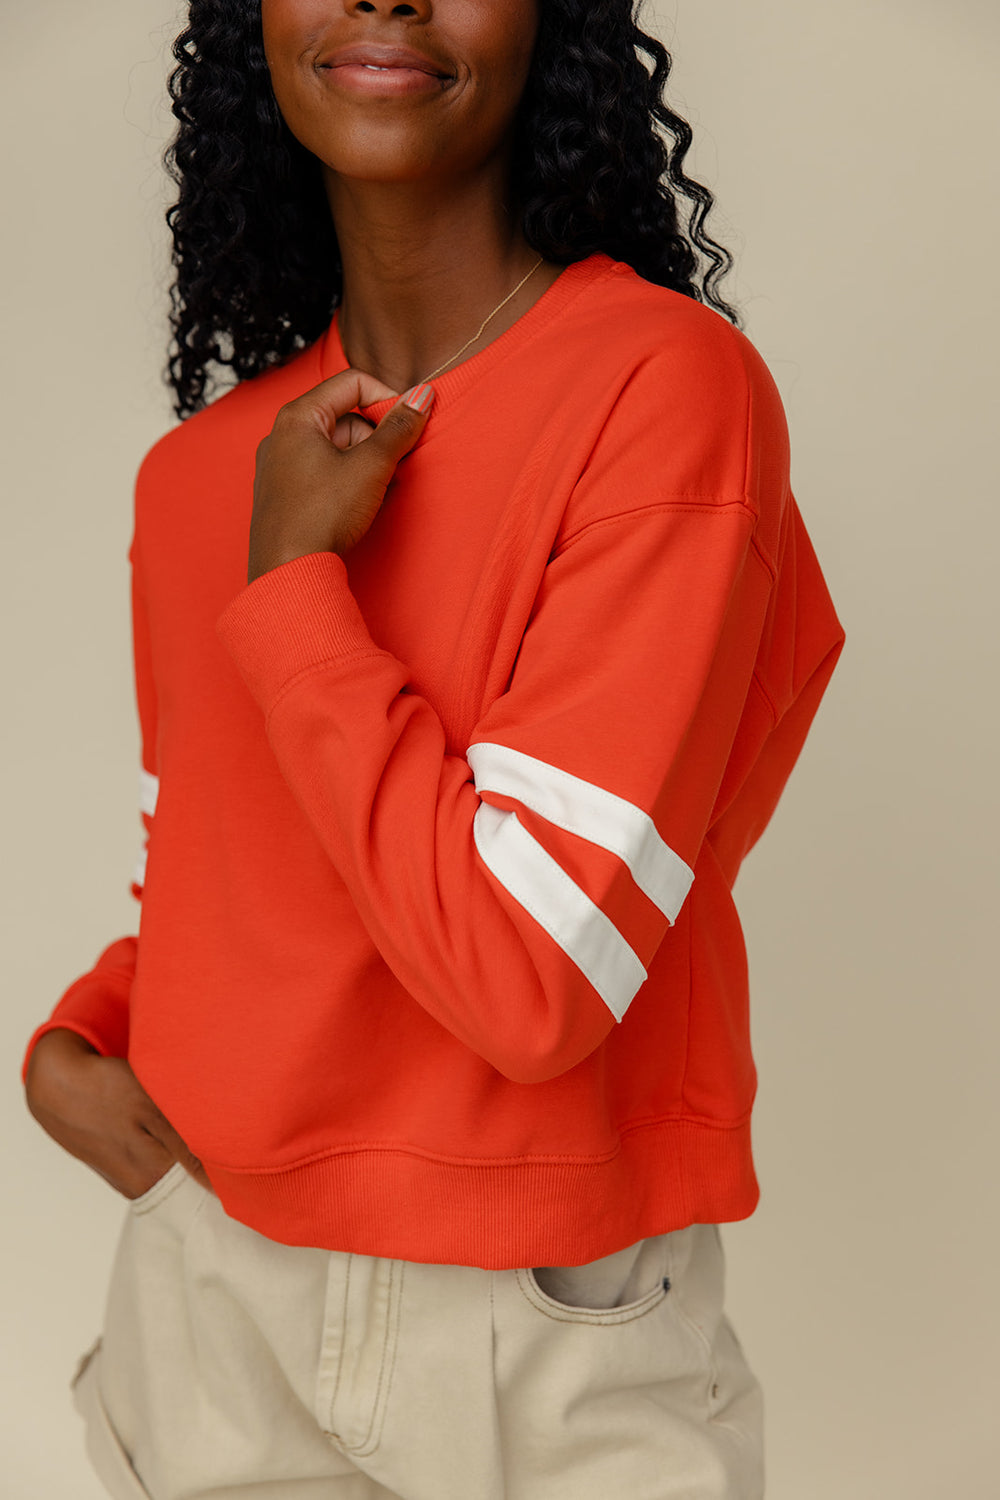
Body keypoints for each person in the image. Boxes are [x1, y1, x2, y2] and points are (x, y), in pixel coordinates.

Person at [22, 1, 845, 1496]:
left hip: (546, 1322)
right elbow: (222, 866)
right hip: (211, 1295)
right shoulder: (201, 472)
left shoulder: (660, 390)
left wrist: (294, 589)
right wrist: (91, 1040)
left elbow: (533, 979)